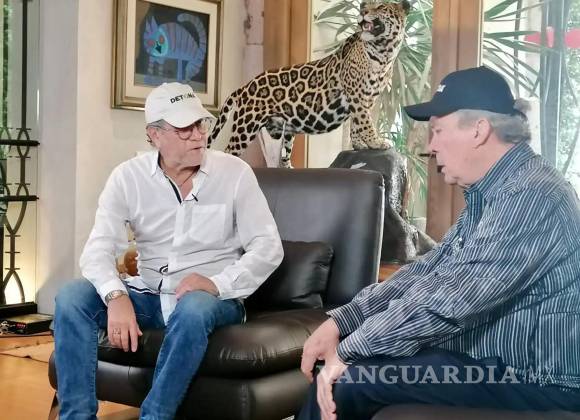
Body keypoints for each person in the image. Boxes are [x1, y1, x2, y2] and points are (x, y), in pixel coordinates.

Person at [298, 66, 580, 420]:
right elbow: (427, 272)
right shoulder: (494, 193)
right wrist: (342, 322)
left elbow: (451, 301)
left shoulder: (532, 196)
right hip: (493, 362)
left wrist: (350, 350)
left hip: (536, 378)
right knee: (357, 364)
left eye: (438, 131)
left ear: (478, 130)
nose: (430, 147)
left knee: (352, 379)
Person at [53, 82, 283, 420]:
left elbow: (268, 247)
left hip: (212, 302)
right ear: (155, 135)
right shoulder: (128, 178)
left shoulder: (235, 173)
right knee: (72, 297)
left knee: (193, 307)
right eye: (185, 128)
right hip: (149, 296)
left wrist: (216, 283)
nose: (198, 135)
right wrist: (116, 295)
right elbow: (97, 248)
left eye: (201, 124)